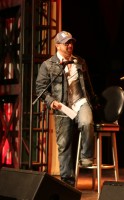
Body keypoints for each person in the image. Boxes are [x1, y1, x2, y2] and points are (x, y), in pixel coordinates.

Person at [36, 31, 96, 187]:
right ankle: (67, 184)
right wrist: (51, 102)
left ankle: (86, 158)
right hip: (62, 106)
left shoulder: (80, 61)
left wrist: (94, 101)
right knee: (64, 145)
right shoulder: (48, 65)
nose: (70, 46)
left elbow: (88, 84)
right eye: (66, 43)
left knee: (86, 122)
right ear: (57, 45)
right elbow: (40, 89)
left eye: (71, 43)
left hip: (80, 101)